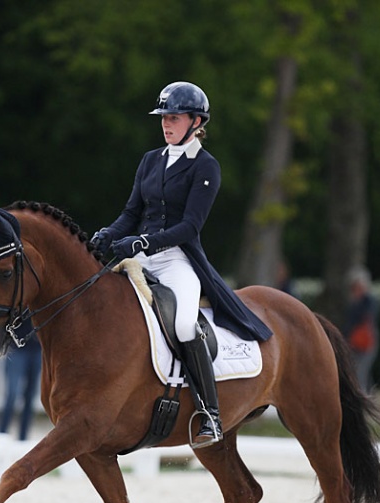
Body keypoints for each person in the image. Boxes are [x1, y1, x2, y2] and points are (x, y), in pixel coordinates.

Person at [91, 81, 272, 448]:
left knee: (186, 324)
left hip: (177, 259)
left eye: (173, 118)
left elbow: (189, 226)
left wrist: (143, 241)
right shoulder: (150, 160)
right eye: (164, 118)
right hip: (140, 257)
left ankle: (210, 414)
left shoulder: (206, 167)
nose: (166, 124)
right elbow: (131, 213)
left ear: (196, 121)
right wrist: (107, 234)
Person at [0, 318, 42, 440]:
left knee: (30, 396)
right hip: (16, 349)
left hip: (37, 349)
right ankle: (1, 435)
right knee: (12, 394)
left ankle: (23, 438)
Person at [343, 265, 379, 393]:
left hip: (365, 342)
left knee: (360, 373)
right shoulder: (353, 303)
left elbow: (366, 320)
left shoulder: (369, 301)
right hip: (353, 342)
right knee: (364, 374)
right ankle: (371, 398)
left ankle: (363, 399)